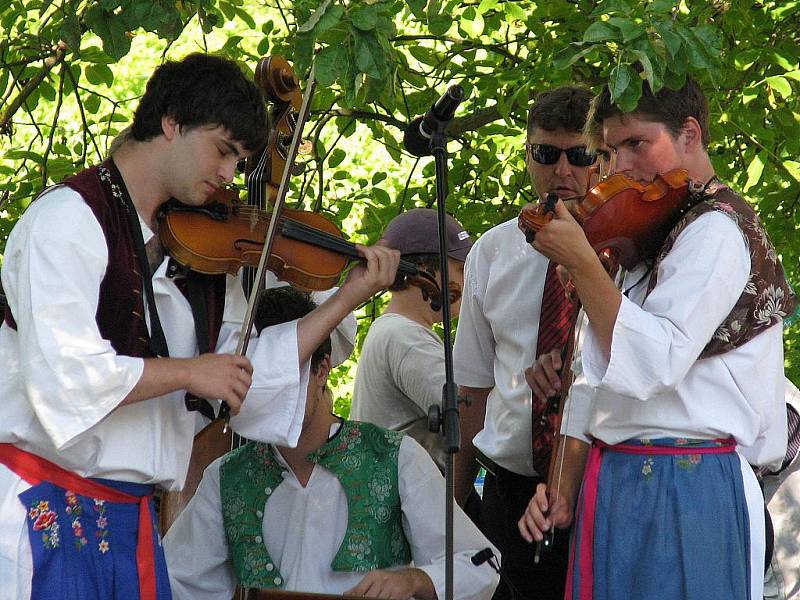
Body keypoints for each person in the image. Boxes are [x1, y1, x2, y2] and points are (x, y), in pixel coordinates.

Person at [0, 53, 400, 600]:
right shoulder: (68, 218)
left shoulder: (203, 257)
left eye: (239, 160)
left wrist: (346, 298)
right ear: (171, 122)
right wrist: (189, 372)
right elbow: (68, 376)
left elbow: (244, 376)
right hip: (42, 513)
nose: (229, 175)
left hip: (131, 525)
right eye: (223, 150)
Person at [518, 78, 796, 600]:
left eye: (635, 144)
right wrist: (564, 486)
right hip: (616, 480)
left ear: (689, 134)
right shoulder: (647, 231)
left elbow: (655, 361)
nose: (618, 165)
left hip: (690, 482)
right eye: (608, 150)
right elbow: (587, 377)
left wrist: (583, 264)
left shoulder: (716, 229)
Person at [162, 286, 499, 600]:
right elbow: (174, 580)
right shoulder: (226, 476)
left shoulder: (395, 457)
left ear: (321, 370)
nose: (268, 393)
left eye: (282, 374)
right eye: (258, 377)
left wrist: (416, 580)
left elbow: (480, 564)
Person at [452, 86, 598, 600]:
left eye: (579, 155)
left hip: (597, 483)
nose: (563, 171)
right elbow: (470, 389)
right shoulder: (492, 251)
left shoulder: (628, 246)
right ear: (527, 155)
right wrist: (451, 507)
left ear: (602, 157)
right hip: (509, 486)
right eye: (546, 154)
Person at [351, 208, 473, 471]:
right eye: (460, 269)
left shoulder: (392, 329)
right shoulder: (405, 337)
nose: (467, 280)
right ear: (425, 270)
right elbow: (470, 415)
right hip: (406, 505)